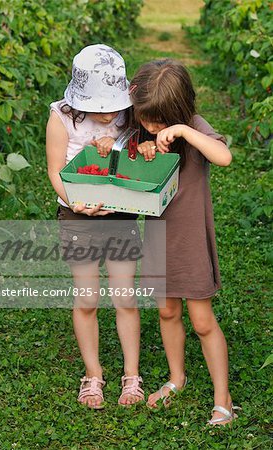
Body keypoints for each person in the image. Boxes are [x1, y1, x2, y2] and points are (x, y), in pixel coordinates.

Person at [130, 59, 239, 426]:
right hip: (160, 237)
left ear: (179, 112)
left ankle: (222, 395)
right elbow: (135, 163)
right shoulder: (146, 129)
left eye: (158, 121)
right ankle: (177, 377)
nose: (150, 127)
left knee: (203, 321)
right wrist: (144, 149)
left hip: (189, 237)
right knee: (167, 311)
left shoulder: (193, 127)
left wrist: (183, 130)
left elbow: (223, 157)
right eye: (144, 119)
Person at [46, 44, 144, 409]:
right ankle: (93, 374)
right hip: (77, 218)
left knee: (125, 296)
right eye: (100, 109)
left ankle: (131, 374)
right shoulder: (61, 117)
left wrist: (121, 142)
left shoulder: (128, 115)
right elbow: (56, 170)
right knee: (86, 297)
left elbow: (138, 149)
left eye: (113, 108)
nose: (107, 116)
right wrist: (75, 202)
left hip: (119, 214)